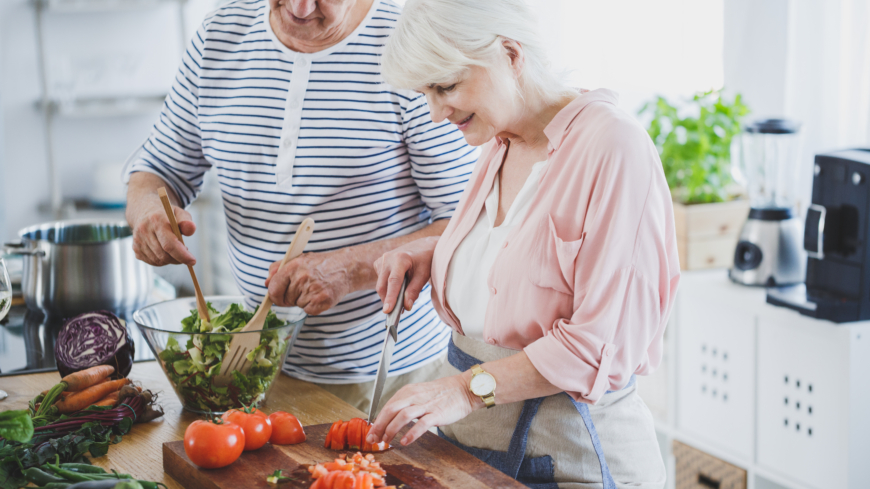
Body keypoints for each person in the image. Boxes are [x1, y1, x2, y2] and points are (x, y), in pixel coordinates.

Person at [366, 0, 680, 487]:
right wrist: (443, 254)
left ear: (510, 54)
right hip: (475, 454)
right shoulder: (501, 140)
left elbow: (600, 345)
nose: (435, 113)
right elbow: (528, 259)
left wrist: (465, 391)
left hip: (573, 462)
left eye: (446, 87)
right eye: (427, 93)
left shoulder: (613, 145)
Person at [123, 0, 479, 413]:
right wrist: (148, 210)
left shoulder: (411, 46)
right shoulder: (219, 35)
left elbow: (469, 223)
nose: (300, 7)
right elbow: (156, 169)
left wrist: (349, 268)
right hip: (257, 365)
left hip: (386, 375)